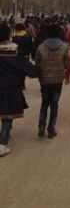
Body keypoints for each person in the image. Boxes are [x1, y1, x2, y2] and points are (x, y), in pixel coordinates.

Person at [0, 22, 37, 156]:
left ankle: (5, 136)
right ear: (8, 35)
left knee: (5, 116)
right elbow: (31, 71)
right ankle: (2, 144)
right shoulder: (15, 53)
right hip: (11, 89)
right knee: (7, 117)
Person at [35, 24, 70, 138]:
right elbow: (67, 63)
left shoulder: (40, 47)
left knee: (44, 103)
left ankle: (41, 126)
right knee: (54, 104)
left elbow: (37, 64)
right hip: (57, 79)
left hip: (44, 79)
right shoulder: (64, 47)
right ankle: (51, 129)